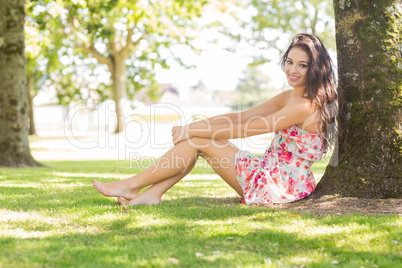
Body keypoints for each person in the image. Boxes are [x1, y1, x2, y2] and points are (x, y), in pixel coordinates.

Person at [93, 33, 337, 206]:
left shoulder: (306, 105)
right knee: (195, 140)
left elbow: (247, 129)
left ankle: (133, 185)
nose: (292, 70)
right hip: (268, 172)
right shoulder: (289, 96)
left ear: (315, 68)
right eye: (290, 62)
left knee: (198, 141)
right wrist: (194, 127)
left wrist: (193, 131)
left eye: (302, 65)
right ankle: (150, 194)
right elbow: (241, 116)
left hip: (277, 185)